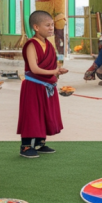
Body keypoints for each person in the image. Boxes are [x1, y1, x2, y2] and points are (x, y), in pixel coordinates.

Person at [17, 11, 68, 158]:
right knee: (32, 115)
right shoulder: (31, 45)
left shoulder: (49, 45)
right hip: (33, 86)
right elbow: (34, 69)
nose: (51, 28)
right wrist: (55, 71)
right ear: (36, 27)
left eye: (52, 25)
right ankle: (25, 147)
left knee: (45, 114)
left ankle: (39, 144)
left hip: (46, 86)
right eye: (47, 25)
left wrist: (57, 74)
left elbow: (50, 69)